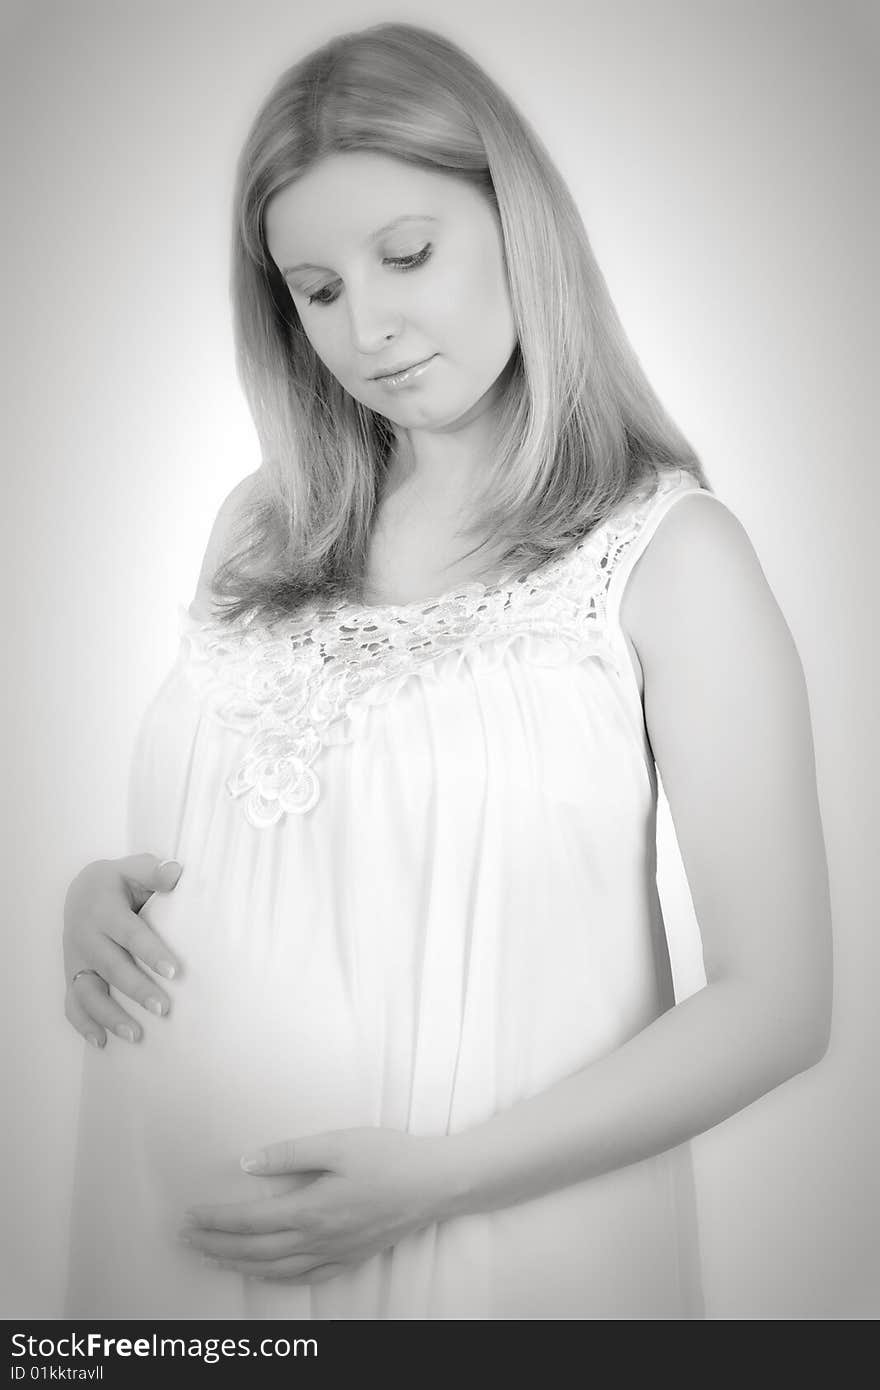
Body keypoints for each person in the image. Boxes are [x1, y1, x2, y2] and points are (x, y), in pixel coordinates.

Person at [61, 20, 832, 1320]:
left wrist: (436, 1179)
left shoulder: (665, 554)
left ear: (516, 222)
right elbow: (228, 848)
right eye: (315, 288)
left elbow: (779, 1004)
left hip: (491, 1261)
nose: (368, 326)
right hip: (175, 1270)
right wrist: (103, 898)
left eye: (407, 253)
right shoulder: (262, 524)